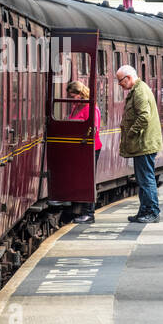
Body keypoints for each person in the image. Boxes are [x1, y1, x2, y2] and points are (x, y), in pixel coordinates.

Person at [117, 65, 162, 223]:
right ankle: (144, 211)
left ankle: (152, 211)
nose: (119, 84)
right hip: (142, 144)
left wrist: (131, 133)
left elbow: (144, 116)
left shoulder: (140, 92)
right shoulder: (137, 90)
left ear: (128, 78)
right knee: (143, 178)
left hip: (144, 143)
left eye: (120, 81)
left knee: (146, 178)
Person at [67, 80, 102, 223]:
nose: (71, 99)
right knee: (82, 179)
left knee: (88, 179)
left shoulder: (90, 108)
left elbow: (93, 129)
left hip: (90, 148)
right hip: (80, 148)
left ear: (80, 94)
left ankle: (89, 213)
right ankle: (83, 211)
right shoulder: (77, 107)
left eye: (72, 96)